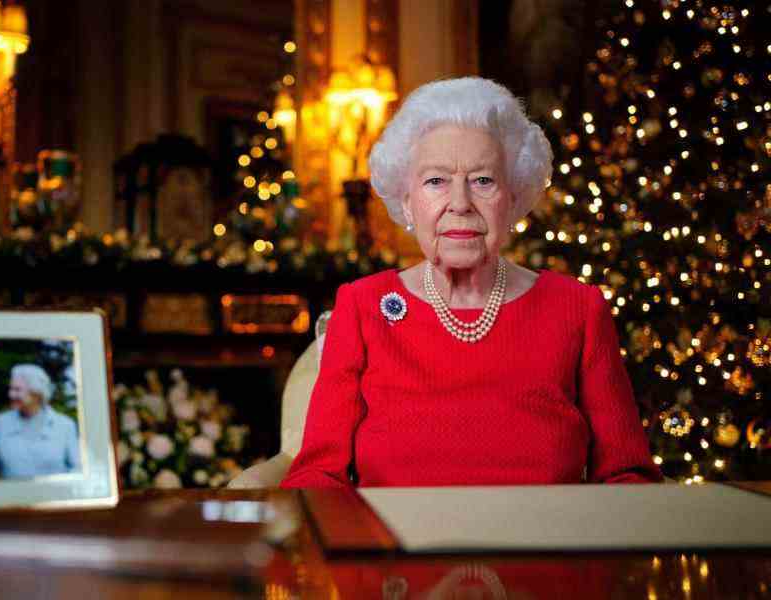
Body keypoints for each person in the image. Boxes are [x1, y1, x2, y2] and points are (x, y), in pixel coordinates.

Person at [281, 77, 663, 488]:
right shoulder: (362, 306)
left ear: (514, 198)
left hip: (543, 546)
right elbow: (317, 477)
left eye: (483, 180)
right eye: (436, 181)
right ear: (407, 201)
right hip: (396, 547)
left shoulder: (577, 308)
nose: (460, 203)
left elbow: (629, 476)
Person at [0, 364, 81, 478]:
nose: (11, 394)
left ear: (36, 394)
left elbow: (77, 468)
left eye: (17, 390)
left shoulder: (65, 425)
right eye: (11, 389)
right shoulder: (1, 423)